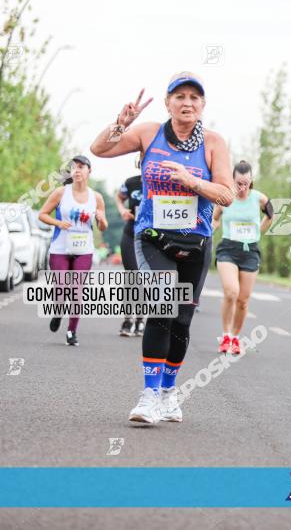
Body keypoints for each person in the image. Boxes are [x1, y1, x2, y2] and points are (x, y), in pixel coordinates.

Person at [90, 72, 234, 425]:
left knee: (182, 322)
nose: (187, 103)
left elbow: (226, 195)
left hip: (195, 241)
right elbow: (98, 150)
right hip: (152, 237)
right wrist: (119, 124)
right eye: (179, 96)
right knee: (161, 308)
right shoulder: (148, 133)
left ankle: (169, 392)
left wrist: (191, 181)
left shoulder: (214, 143)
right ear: (168, 102)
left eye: (194, 98)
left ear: (202, 105)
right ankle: (149, 394)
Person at [38, 155, 109, 346]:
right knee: (61, 289)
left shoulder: (96, 197)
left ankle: (71, 331)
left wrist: (101, 219)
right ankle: (58, 311)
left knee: (77, 291)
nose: (77, 170)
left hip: (83, 248)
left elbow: (103, 227)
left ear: (89, 171)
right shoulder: (61, 192)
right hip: (60, 247)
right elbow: (42, 214)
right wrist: (59, 222)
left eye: (81, 167)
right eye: (73, 168)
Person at [212, 160, 273, 354]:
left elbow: (271, 215)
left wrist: (258, 232)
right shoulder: (225, 198)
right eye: (239, 182)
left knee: (243, 300)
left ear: (251, 180)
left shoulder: (258, 198)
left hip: (250, 251)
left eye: (246, 183)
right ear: (233, 180)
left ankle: (236, 338)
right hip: (228, 249)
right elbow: (215, 218)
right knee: (231, 292)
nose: (242, 187)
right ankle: (226, 336)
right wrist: (214, 226)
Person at [115, 165, 144, 337]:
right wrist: (122, 210)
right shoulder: (131, 182)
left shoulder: (162, 183)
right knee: (131, 276)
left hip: (151, 237)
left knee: (144, 279)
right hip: (131, 233)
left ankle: (140, 320)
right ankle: (127, 319)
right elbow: (119, 198)